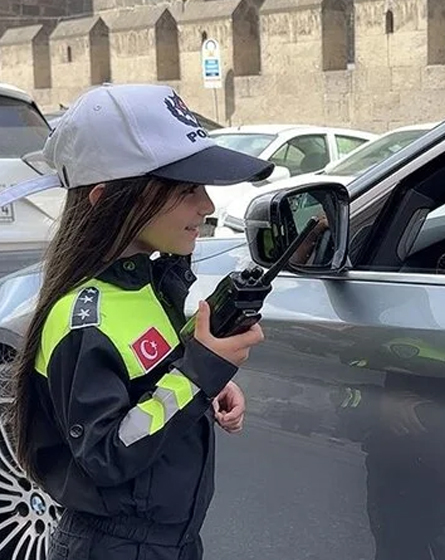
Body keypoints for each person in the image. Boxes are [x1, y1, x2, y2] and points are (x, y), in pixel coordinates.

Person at [9, 83, 272, 560]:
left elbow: (146, 382)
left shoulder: (144, 284)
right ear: (108, 199)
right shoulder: (80, 320)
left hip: (170, 541)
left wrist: (202, 373)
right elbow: (106, 453)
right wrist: (197, 376)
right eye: (187, 190)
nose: (208, 207)